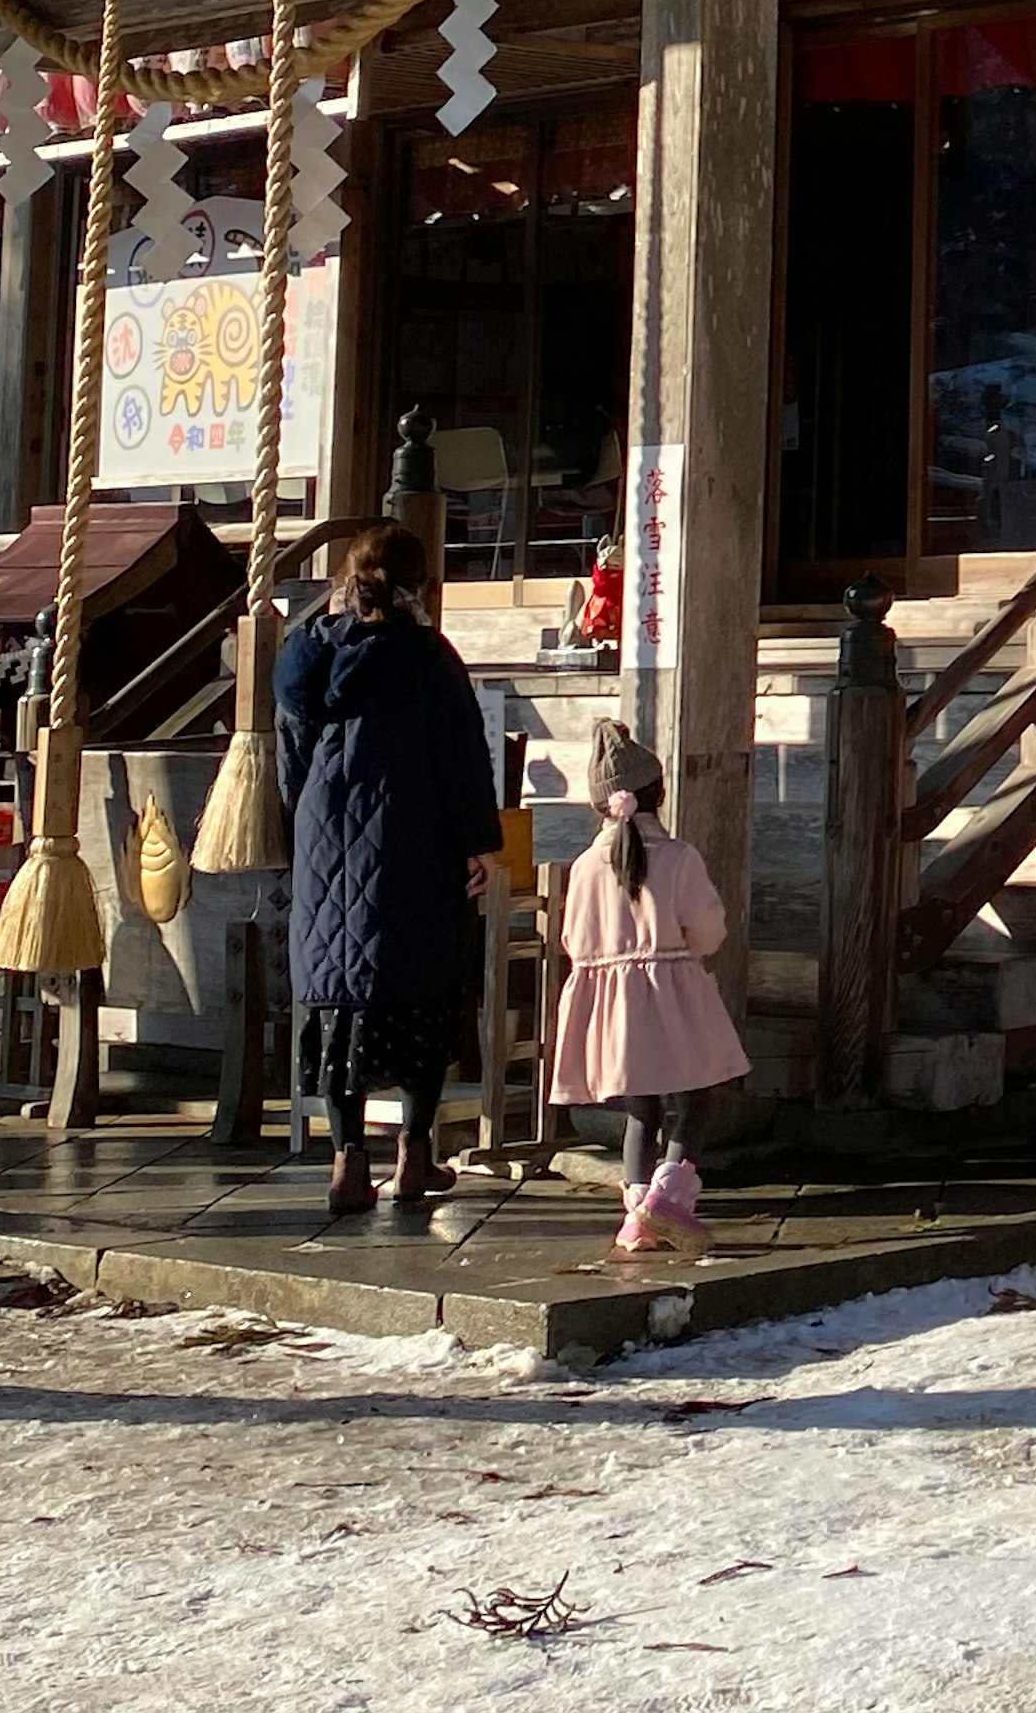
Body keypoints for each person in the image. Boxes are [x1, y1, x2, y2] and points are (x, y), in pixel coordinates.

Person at [276, 518, 503, 1231]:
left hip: (324, 838)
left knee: (337, 996)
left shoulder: (303, 657)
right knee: (423, 986)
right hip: (414, 837)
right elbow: (462, 754)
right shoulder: (428, 658)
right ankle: (413, 1152)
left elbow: (289, 760)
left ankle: (347, 1159)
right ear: (421, 587)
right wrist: (481, 843)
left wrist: (303, 834)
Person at [548, 722, 747, 1256]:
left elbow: (573, 938)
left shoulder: (587, 865)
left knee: (642, 1109)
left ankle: (637, 1214)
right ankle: (668, 1198)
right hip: (674, 993)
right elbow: (707, 926)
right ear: (660, 794)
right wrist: (690, 953)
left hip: (615, 1007)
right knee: (696, 1097)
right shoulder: (679, 857)